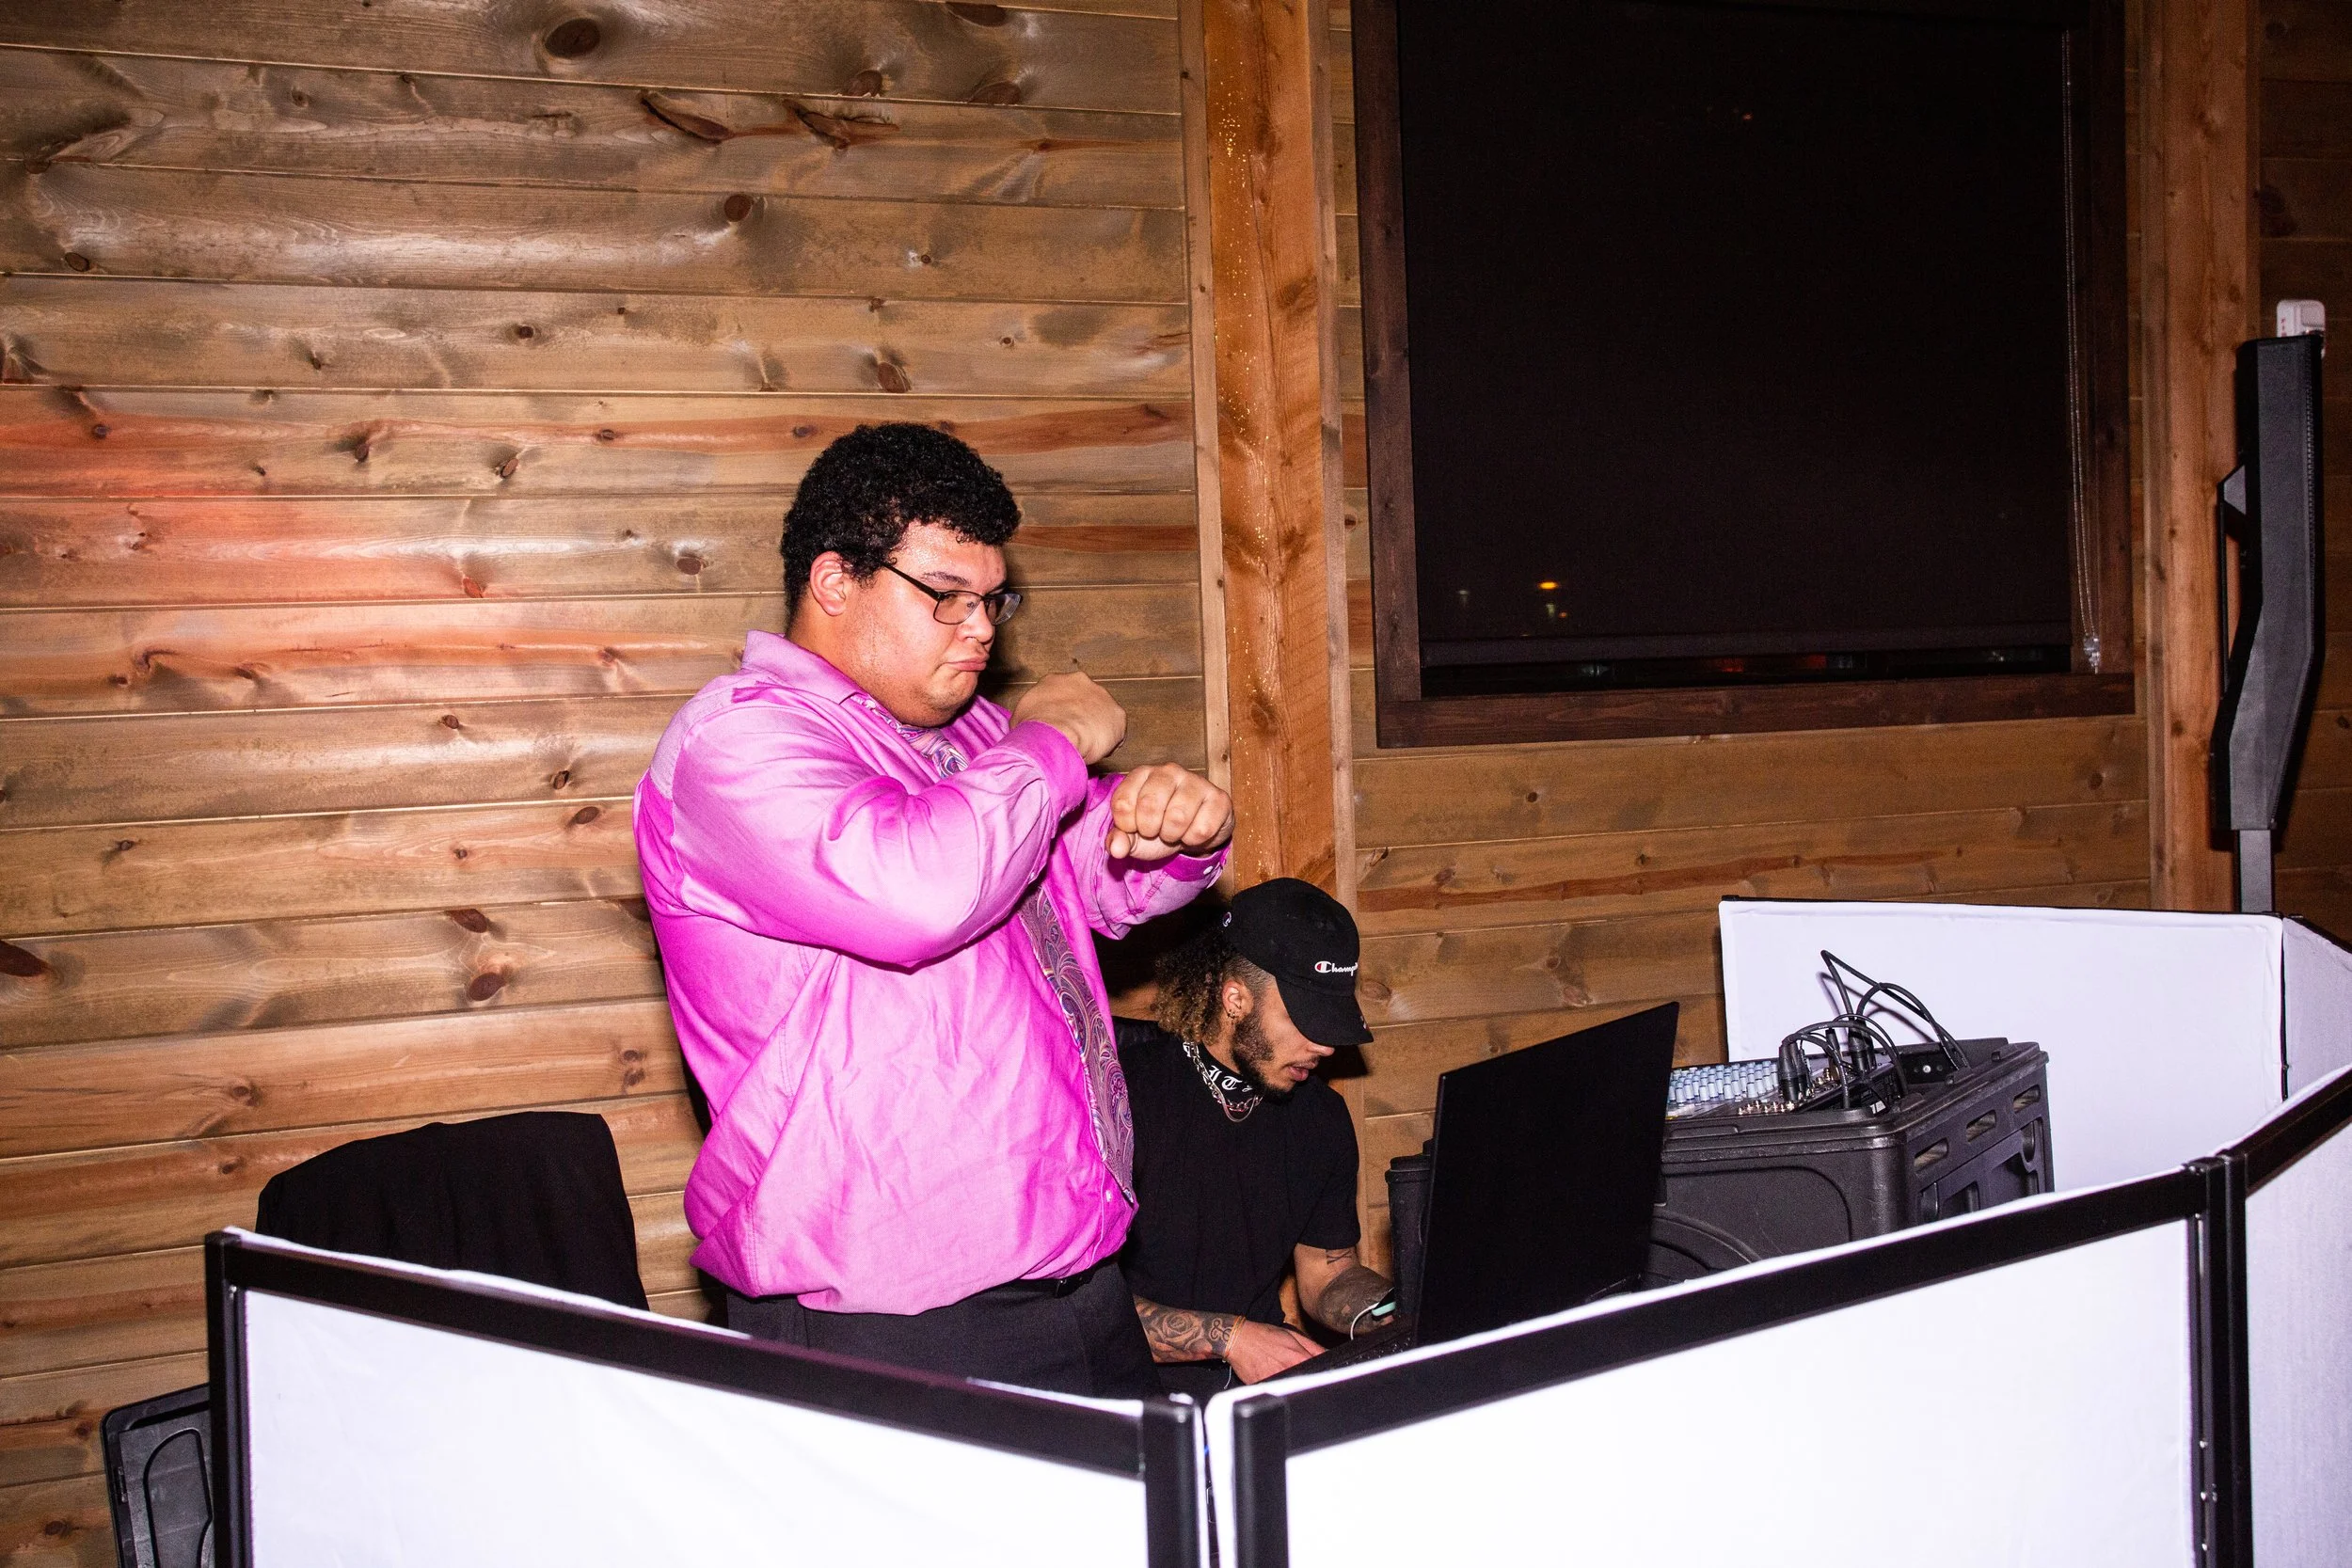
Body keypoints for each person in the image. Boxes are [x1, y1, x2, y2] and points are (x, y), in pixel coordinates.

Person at [634, 422, 1233, 1398]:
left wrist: (1174, 836)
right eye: (945, 595)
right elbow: (917, 891)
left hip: (1077, 1273)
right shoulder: (735, 743)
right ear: (835, 580)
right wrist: (1054, 736)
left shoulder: (976, 735)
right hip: (887, 1314)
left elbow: (1092, 886)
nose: (982, 626)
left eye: (992, 598)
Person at [1117, 879, 1393, 1398]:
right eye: (1305, 1020)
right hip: (1131, 1396)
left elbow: (1327, 1276)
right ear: (1235, 998)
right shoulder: (1122, 1098)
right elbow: (1079, 1314)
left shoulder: (1321, 1119)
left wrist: (1395, 1310)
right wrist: (1232, 1340)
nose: (1326, 1046)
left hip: (1255, 1387)